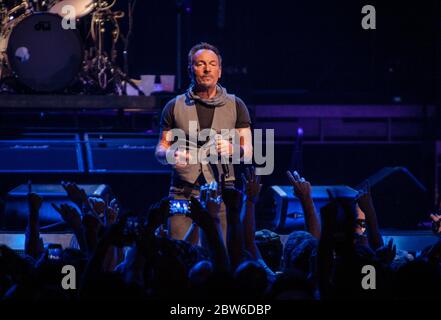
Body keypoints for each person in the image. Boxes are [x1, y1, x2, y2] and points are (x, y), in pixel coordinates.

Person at [155, 42, 253, 241]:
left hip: (222, 193)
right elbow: (160, 148)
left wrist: (233, 149)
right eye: (200, 64)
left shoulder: (236, 105)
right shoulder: (174, 106)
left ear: (220, 70)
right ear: (190, 69)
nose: (207, 68)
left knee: (221, 253)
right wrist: (169, 154)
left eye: (212, 64)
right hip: (183, 193)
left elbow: (249, 151)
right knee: (180, 252)